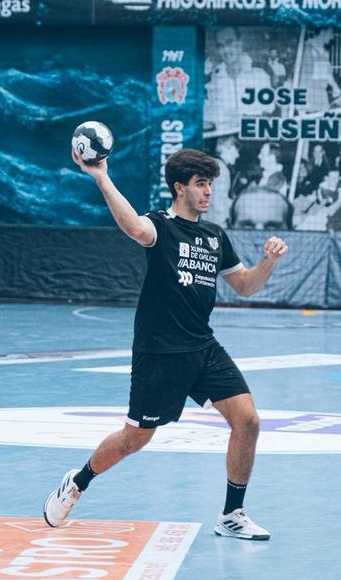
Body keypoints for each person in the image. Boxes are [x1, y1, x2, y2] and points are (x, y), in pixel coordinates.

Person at [44, 147, 289, 540]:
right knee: (134, 439)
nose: (208, 192)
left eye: (210, 184)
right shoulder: (161, 226)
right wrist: (101, 176)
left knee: (248, 421)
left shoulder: (214, 236)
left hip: (202, 348)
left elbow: (244, 285)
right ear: (180, 187)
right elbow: (132, 227)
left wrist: (268, 262)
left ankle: (232, 514)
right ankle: (79, 480)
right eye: (201, 184)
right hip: (159, 352)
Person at [204, 27, 274, 134]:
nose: (226, 50)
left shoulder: (261, 73)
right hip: (220, 145)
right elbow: (206, 121)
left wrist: (241, 120)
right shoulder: (212, 80)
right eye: (220, 46)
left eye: (229, 42)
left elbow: (269, 116)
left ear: (240, 42)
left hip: (253, 143)